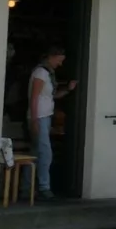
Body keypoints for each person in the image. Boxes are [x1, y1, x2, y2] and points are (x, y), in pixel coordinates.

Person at [28, 47, 76, 199]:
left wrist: (68, 89)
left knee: (36, 153)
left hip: (45, 117)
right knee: (46, 152)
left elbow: (51, 96)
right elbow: (34, 97)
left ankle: (26, 187)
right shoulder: (40, 73)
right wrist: (34, 119)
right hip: (39, 117)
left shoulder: (47, 74)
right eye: (60, 60)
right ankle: (44, 187)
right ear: (52, 57)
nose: (60, 64)